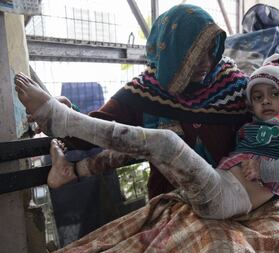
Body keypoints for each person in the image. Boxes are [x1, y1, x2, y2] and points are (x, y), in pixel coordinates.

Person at [14, 53, 279, 219]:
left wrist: (266, 169)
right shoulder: (249, 120)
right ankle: (73, 167)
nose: (265, 101)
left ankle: (61, 120)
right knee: (160, 138)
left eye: (274, 94)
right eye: (258, 95)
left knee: (167, 143)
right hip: (212, 185)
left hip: (228, 197)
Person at [54, 4, 250, 199]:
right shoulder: (144, 91)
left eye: (210, 50)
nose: (206, 63)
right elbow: (95, 129)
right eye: (195, 55)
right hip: (172, 205)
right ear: (174, 53)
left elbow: (272, 120)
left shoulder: (232, 85)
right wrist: (63, 113)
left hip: (235, 197)